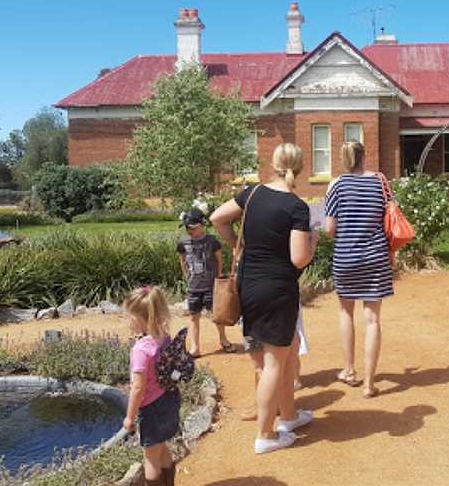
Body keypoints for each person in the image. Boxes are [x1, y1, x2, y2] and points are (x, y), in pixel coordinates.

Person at [211, 142, 319, 454]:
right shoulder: (297, 207)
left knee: (280, 356)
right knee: (275, 362)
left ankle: (288, 416)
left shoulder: (252, 194)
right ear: (299, 168)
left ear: (272, 164)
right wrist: (312, 240)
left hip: (248, 286)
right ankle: (265, 435)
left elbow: (219, 218)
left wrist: (237, 245)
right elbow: (299, 259)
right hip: (277, 289)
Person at [324, 141, 393, 399]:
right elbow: (389, 218)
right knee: (373, 320)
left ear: (342, 159)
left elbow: (329, 229)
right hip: (376, 258)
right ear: (365, 156)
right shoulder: (380, 182)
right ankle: (369, 383)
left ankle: (350, 371)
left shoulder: (337, 185)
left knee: (345, 314)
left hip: (346, 258)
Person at [122, 285, 179, 486]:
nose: (127, 321)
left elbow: (138, 388)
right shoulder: (164, 337)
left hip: (152, 409)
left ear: (138, 319)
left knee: (150, 458)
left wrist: (129, 417)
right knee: (162, 448)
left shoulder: (140, 349)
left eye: (128, 316)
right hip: (169, 400)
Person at [176, 207, 237, 357]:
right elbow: (182, 260)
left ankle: (223, 340)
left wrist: (219, 276)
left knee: (217, 315)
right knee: (193, 316)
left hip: (211, 286)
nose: (189, 230)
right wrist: (187, 276)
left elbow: (219, 259)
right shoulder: (183, 242)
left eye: (192, 227)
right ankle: (195, 347)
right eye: (186, 227)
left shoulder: (211, 241)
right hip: (193, 287)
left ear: (202, 225)